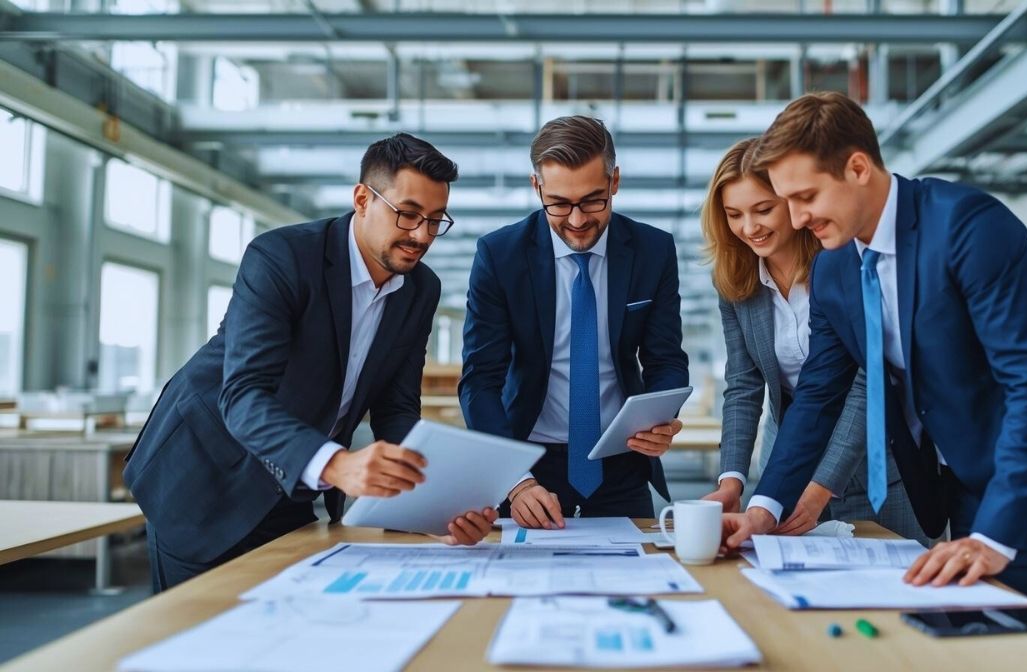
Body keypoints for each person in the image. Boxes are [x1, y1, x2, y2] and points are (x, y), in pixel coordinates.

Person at [721, 92, 1027, 632]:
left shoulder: (970, 228)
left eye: (806, 196)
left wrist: (994, 535)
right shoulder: (834, 269)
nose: (797, 219)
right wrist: (765, 508)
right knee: (981, 651)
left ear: (857, 167)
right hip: (967, 483)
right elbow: (818, 398)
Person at [124, 133, 497, 592]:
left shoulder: (421, 290)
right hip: (205, 479)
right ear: (363, 198)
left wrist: (435, 504)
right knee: (194, 645)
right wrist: (338, 464)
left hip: (292, 484)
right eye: (408, 214)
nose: (421, 235)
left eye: (436, 220)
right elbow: (242, 396)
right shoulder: (282, 258)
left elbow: (396, 408)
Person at [460, 115, 689, 528]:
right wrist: (514, 480)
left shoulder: (653, 250)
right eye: (560, 204)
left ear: (614, 181)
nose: (578, 220)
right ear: (537, 188)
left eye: (593, 200)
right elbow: (480, 380)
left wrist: (660, 417)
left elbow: (666, 358)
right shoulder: (500, 256)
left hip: (621, 459)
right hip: (527, 465)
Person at [698, 138, 929, 545]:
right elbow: (744, 383)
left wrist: (824, 482)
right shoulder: (734, 278)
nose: (749, 228)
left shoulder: (844, 264)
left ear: (790, 201)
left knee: (896, 588)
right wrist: (732, 479)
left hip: (877, 462)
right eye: (734, 215)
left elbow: (865, 380)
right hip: (787, 462)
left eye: (763, 209)